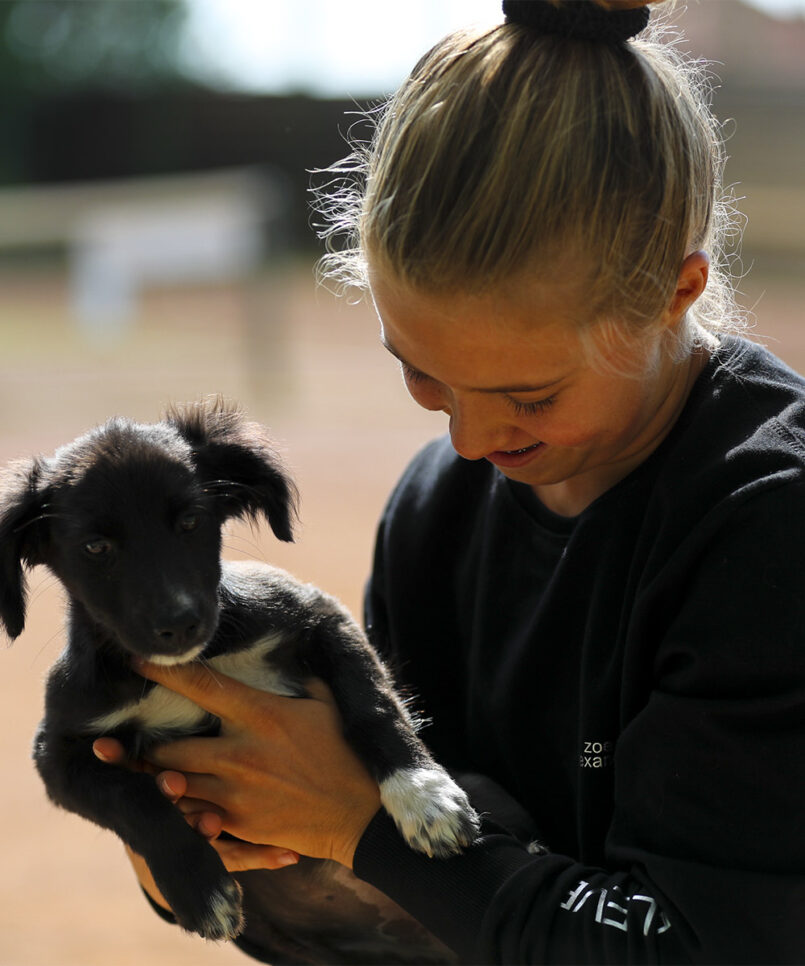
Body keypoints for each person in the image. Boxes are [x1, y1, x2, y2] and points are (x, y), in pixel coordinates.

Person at [93, 0, 805, 962]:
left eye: (530, 395)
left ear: (673, 292)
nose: (468, 441)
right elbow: (421, 916)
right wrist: (224, 847)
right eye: (420, 373)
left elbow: (694, 945)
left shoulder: (767, 525)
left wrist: (360, 831)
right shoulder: (436, 507)